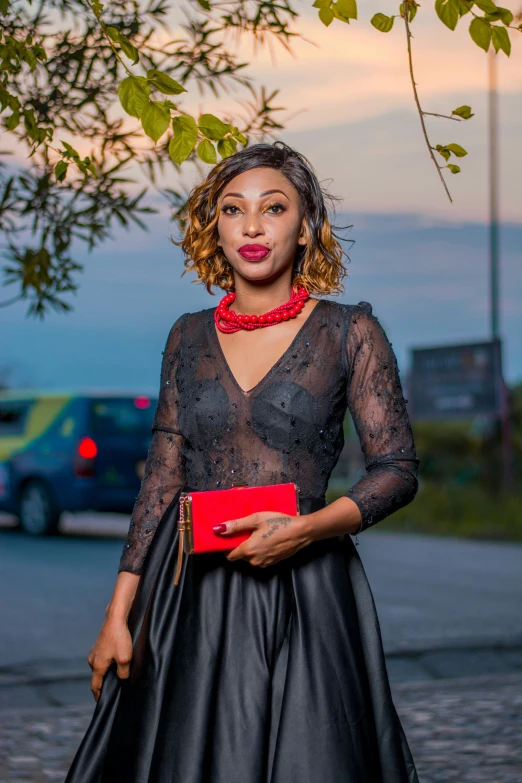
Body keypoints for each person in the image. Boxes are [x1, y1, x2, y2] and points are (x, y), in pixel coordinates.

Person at [65, 141, 420, 783]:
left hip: (307, 592)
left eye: (273, 208)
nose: (252, 226)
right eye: (233, 210)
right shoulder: (186, 334)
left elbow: (397, 469)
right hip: (186, 597)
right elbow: (162, 478)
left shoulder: (350, 332)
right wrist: (118, 615)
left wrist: (305, 531)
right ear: (216, 230)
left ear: (306, 226)